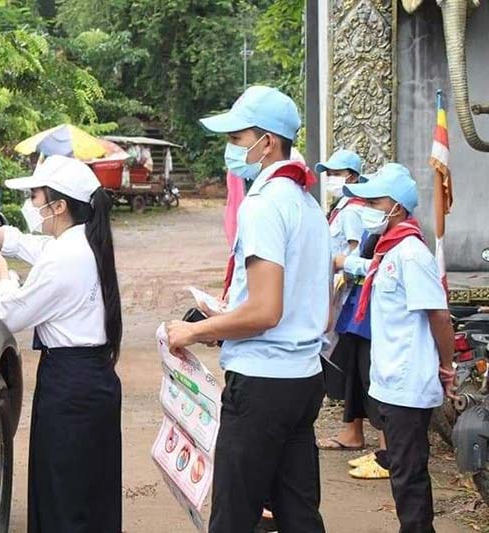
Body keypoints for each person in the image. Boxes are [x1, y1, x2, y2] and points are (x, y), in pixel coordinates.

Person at [170, 86, 330, 532]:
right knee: (298, 512)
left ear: (267, 142)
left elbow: (264, 312)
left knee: (234, 515)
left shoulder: (263, 206)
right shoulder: (308, 206)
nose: (232, 150)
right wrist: (226, 316)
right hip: (303, 379)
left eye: (237, 139)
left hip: (262, 385)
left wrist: (195, 331)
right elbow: (309, 307)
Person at [0, 155, 123, 533]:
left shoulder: (63, 258)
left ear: (58, 206)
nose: (31, 204)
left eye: (35, 196)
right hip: (91, 380)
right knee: (87, 492)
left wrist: (2, 276)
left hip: (70, 385)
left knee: (63, 493)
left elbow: (12, 314)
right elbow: (24, 243)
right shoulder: (81, 242)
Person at [341, 163, 456, 532]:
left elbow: (439, 315)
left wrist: (447, 366)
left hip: (408, 381)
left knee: (409, 475)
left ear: (397, 208)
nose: (367, 209)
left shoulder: (410, 253)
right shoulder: (388, 251)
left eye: (374, 202)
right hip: (389, 379)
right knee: (402, 471)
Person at [315, 151, 389, 478]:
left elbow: (363, 256)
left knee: (370, 373)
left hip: (364, 303)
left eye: (336, 171)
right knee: (355, 371)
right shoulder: (345, 207)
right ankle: (355, 433)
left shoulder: (360, 214)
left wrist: (345, 264)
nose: (330, 177)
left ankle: (387, 452)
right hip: (353, 305)